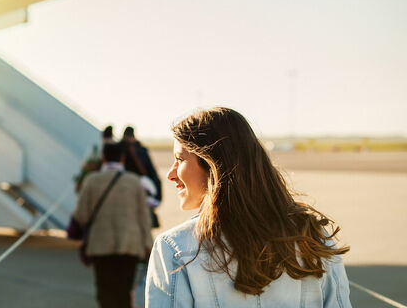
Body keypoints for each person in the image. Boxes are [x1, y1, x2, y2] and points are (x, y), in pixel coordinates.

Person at [145, 107, 352, 307]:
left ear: (214, 164)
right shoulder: (314, 239)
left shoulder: (176, 248)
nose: (170, 174)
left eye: (179, 159)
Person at [73, 142, 153, 308]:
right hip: (130, 245)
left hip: (101, 245)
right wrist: (148, 245)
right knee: (124, 291)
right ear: (122, 158)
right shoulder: (134, 182)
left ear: (103, 158)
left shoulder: (91, 181)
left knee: (105, 291)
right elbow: (144, 217)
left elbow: (81, 215)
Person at [121, 126, 162, 227]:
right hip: (143, 191)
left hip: (123, 191)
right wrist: (157, 198)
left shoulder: (119, 150)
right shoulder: (141, 150)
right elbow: (152, 173)